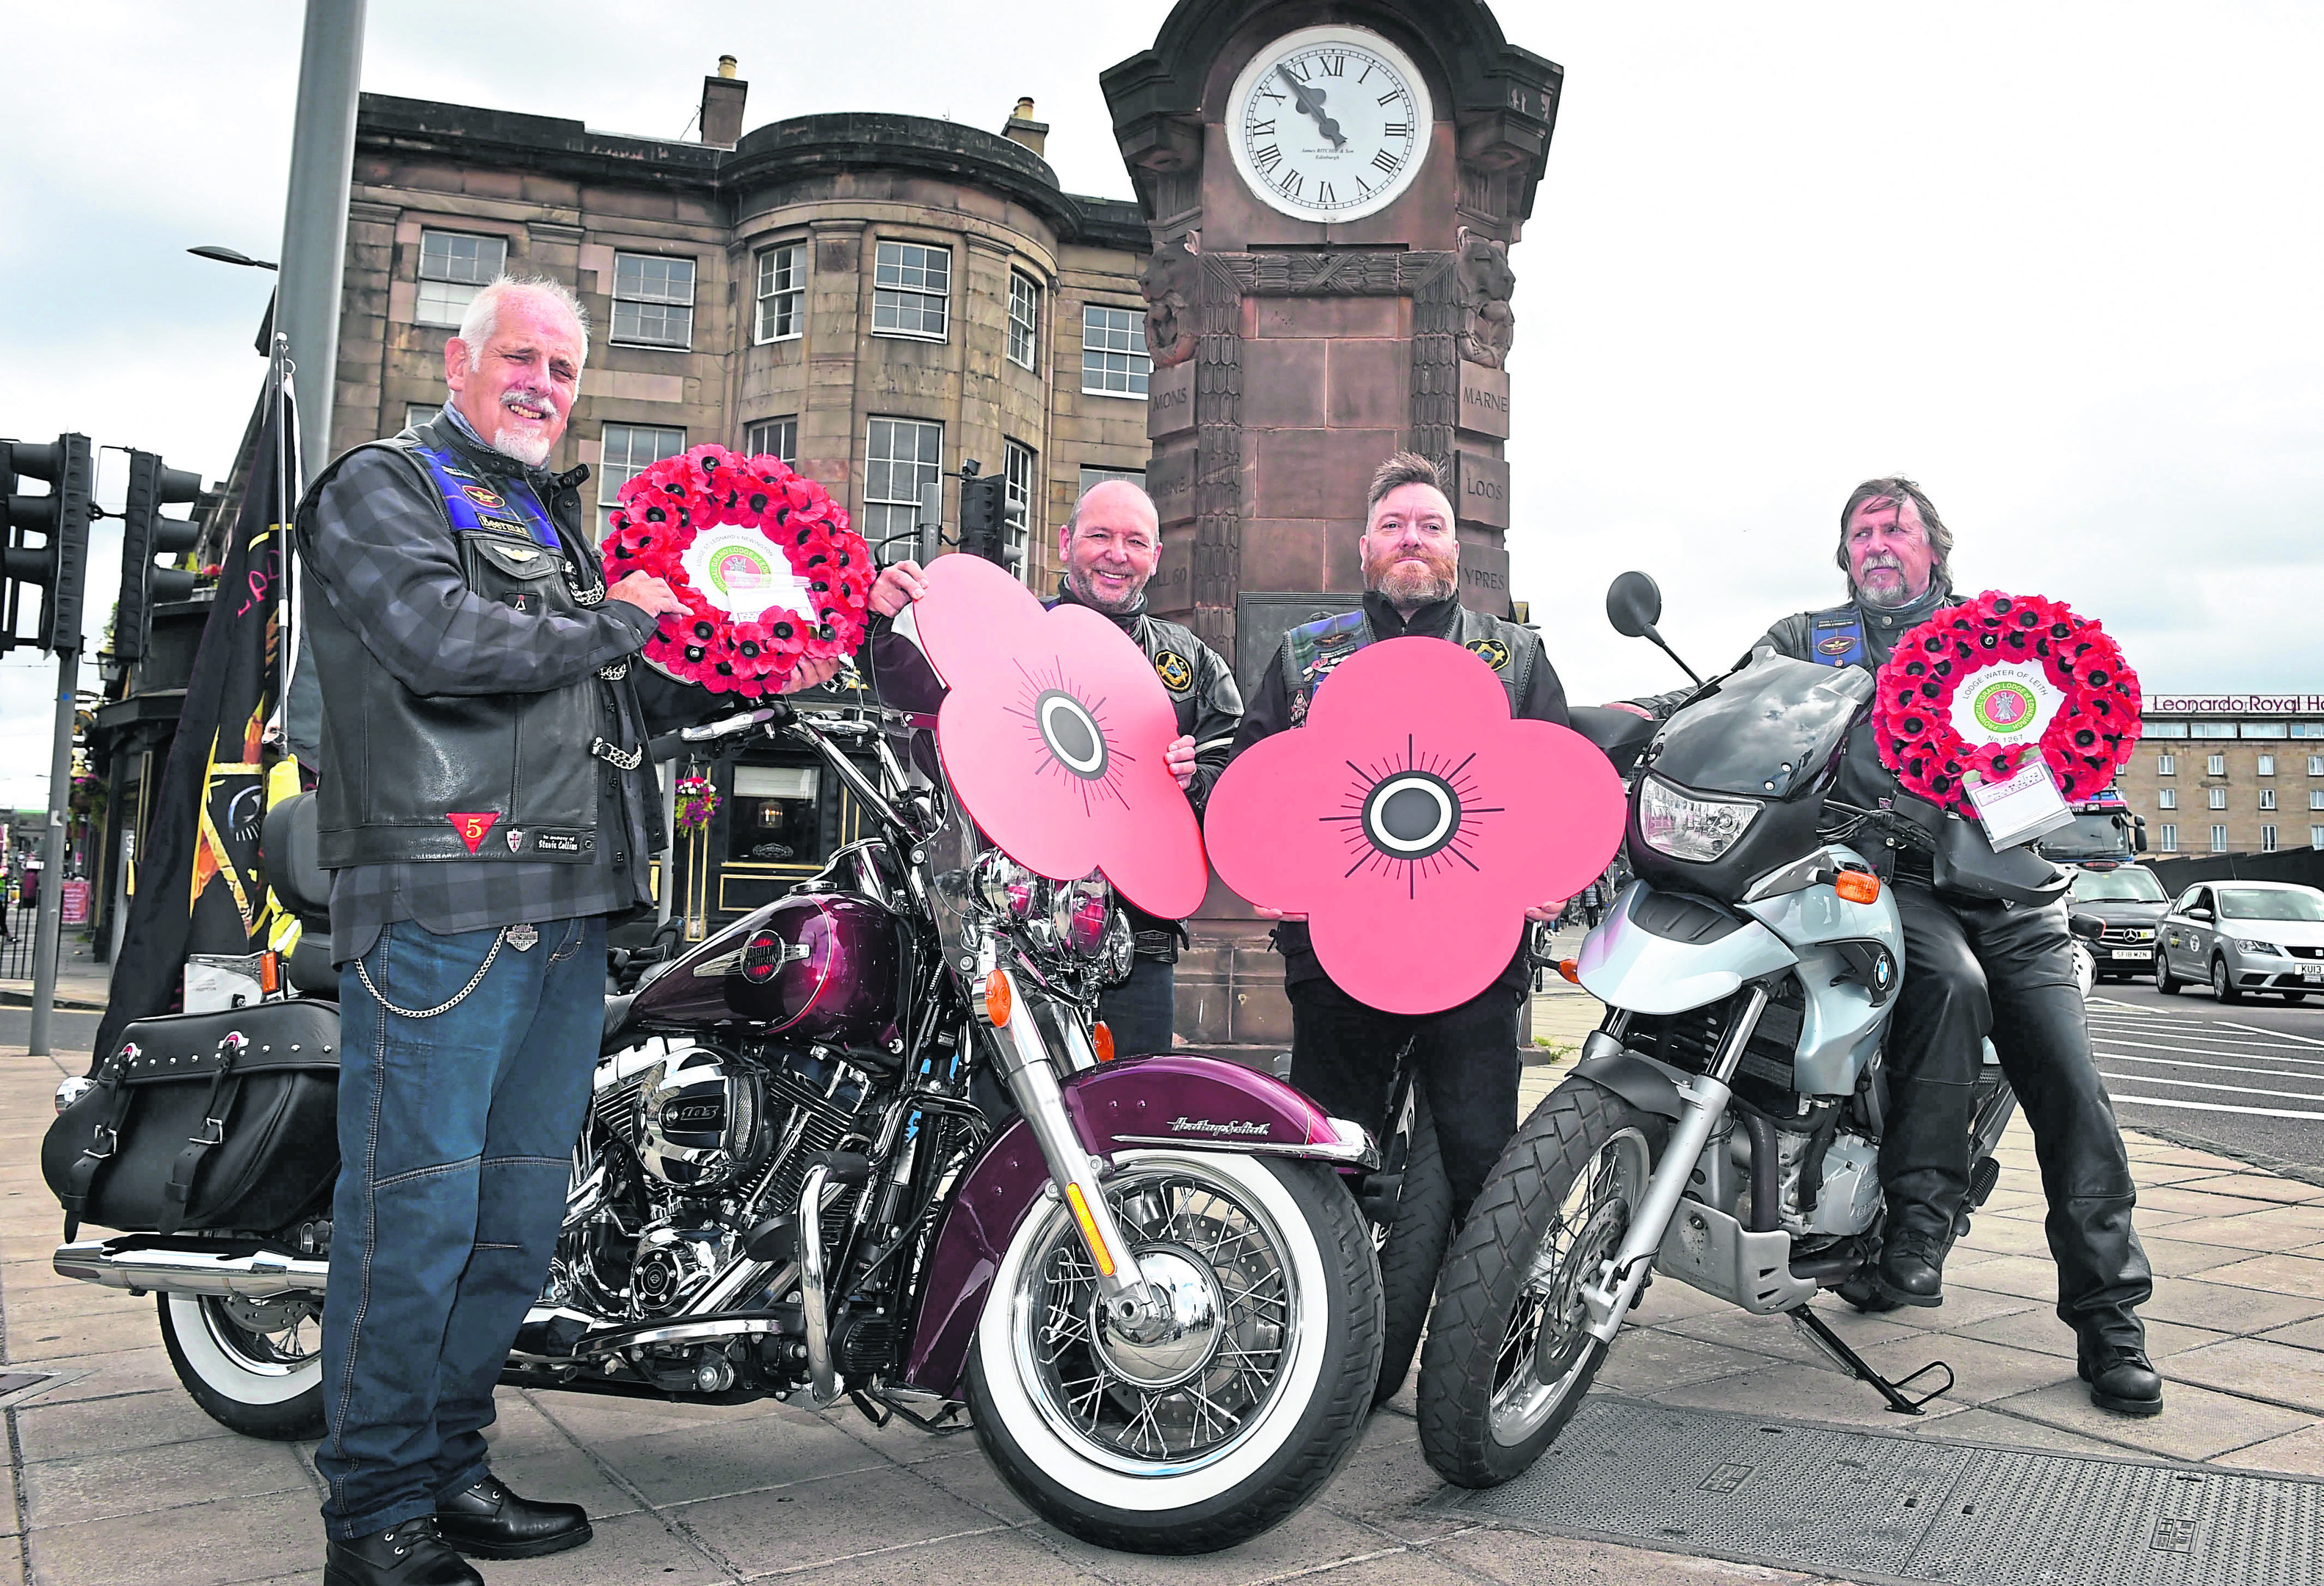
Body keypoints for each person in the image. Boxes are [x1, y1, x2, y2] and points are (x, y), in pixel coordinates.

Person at [297, 275, 843, 1585]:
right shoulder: (386, 487)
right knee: (414, 1218)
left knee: (513, 1225)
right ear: (460, 360)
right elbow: (437, 640)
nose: (543, 384)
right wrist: (624, 617)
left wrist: (762, 659)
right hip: (442, 900)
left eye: (563, 369)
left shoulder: (557, 524)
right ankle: (373, 1521)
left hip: (567, 901)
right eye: (523, 359)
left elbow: (615, 702)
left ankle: (449, 1469)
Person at [1609, 477, 2160, 1416]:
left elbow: (2064, 759)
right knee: (1943, 979)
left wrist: (2038, 801)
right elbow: (1718, 703)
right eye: (1858, 530)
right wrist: (1620, 720)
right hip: (1892, 878)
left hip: (2011, 890)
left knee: (2071, 1090)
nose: (1874, 542)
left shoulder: (2001, 641)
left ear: (1932, 547)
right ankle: (1910, 1224)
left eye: (1893, 527)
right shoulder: (1804, 641)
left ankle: (2109, 1321)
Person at [1228, 452, 1572, 1223]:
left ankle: (1492, 1330)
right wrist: (1266, 874)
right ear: (1364, 547)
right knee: (1331, 1157)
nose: (1410, 539)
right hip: (1336, 953)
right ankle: (1332, 1321)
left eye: (1429, 525)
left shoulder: (1514, 658)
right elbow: (1253, 783)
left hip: (1477, 956)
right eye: (1392, 525)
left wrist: (1554, 878)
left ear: (1456, 548)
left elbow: (1556, 787)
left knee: (1484, 1159)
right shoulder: (1304, 656)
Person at [866, 479, 1241, 1057]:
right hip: (1012, 929)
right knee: (1010, 1122)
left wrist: (1197, 781)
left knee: (1129, 1112)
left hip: (1136, 943)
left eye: (1135, 541)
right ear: (1066, 541)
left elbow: (1238, 780)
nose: (1118, 554)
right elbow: (919, 706)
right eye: (1100, 536)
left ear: (1156, 557)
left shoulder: (1191, 662)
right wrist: (883, 623)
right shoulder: (1002, 632)